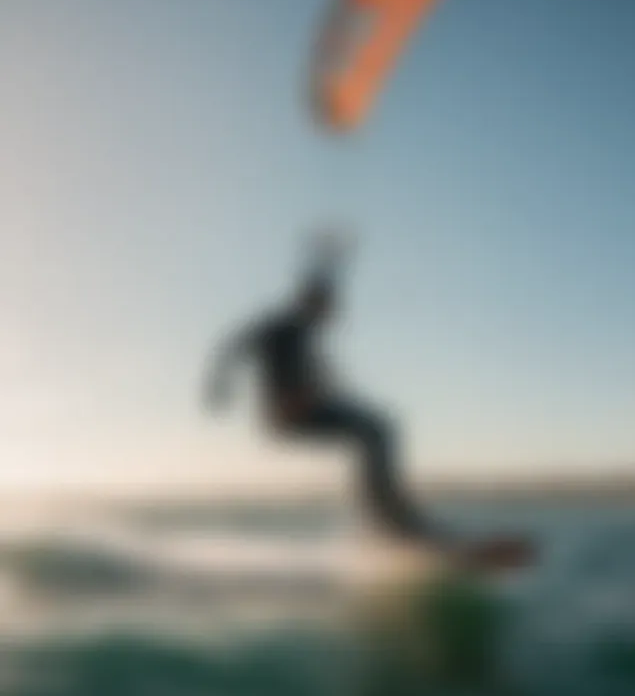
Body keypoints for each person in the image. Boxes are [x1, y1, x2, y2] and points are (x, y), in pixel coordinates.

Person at [203, 231, 533, 570]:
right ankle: (390, 521)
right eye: (329, 307)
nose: (333, 314)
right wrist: (219, 389)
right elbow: (233, 346)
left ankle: (390, 517)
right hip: (288, 417)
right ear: (313, 303)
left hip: (303, 411)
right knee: (375, 429)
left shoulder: (303, 331)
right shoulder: (283, 326)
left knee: (378, 428)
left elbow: (316, 362)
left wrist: (331, 259)